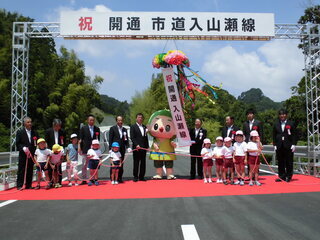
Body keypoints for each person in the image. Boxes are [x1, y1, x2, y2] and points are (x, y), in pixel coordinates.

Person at [273, 109, 297, 182]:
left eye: (283, 114)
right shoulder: (276, 124)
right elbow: (274, 135)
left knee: (289, 161)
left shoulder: (291, 123)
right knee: (280, 161)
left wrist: (293, 144)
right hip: (279, 145)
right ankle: (281, 176)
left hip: (288, 145)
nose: (282, 116)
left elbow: (295, 134)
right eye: (280, 114)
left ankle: (289, 176)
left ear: (286, 115)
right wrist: (274, 144)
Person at [16, 117, 38, 189]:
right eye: (28, 122)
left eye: (30, 122)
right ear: (24, 123)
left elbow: (37, 142)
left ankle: (28, 185)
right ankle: (19, 185)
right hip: (23, 154)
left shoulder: (34, 132)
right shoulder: (20, 132)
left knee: (30, 169)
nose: (30, 124)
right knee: (21, 169)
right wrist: (23, 148)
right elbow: (18, 143)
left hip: (31, 153)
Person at [79, 115, 101, 184]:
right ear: (87, 120)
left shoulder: (97, 129)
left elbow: (98, 140)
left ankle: (94, 179)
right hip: (85, 149)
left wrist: (98, 148)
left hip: (95, 150)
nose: (92, 121)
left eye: (93, 120)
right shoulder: (83, 128)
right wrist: (80, 148)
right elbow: (80, 139)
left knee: (94, 165)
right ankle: (84, 179)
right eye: (90, 120)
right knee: (84, 165)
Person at [45, 118, 66, 185]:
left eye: (59, 126)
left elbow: (64, 141)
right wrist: (48, 150)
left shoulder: (62, 131)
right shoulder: (48, 131)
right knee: (50, 167)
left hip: (59, 151)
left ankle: (59, 181)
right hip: (51, 151)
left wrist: (63, 148)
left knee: (59, 167)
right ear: (53, 125)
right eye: (57, 126)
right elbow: (46, 141)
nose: (58, 127)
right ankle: (51, 181)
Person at [109, 116, 129, 183]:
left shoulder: (125, 130)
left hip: (122, 149)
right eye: (119, 120)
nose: (120, 122)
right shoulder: (112, 129)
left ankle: (119, 178)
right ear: (116, 121)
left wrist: (128, 146)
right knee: (113, 164)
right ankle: (112, 178)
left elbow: (126, 139)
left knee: (121, 163)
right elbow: (110, 139)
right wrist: (110, 148)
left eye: (121, 120)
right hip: (114, 149)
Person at [130, 113, 149, 182]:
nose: (140, 118)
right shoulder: (133, 127)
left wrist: (147, 146)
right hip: (137, 148)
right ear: (136, 118)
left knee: (143, 163)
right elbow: (132, 137)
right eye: (139, 117)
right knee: (136, 162)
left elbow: (145, 137)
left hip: (143, 148)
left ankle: (141, 176)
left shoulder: (144, 127)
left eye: (141, 117)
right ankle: (135, 176)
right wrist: (136, 145)